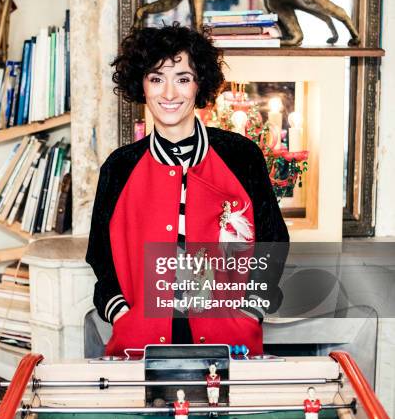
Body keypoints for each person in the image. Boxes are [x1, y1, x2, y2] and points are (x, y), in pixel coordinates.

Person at [86, 24, 289, 357]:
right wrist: (122, 314)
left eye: (182, 78)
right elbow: (100, 254)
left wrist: (251, 312)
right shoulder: (119, 167)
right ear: (142, 85)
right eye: (156, 78)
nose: (169, 94)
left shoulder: (240, 156)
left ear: (199, 85)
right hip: (140, 343)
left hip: (230, 341)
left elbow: (273, 241)